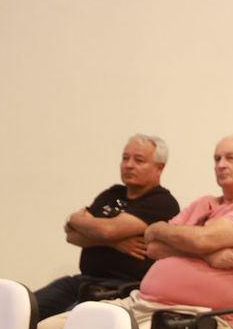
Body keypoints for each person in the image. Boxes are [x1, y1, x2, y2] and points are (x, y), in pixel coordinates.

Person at [34, 135, 233, 329]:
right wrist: (205, 254)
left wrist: (191, 241)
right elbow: (152, 241)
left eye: (230, 158)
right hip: (140, 302)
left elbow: (201, 237)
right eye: (217, 158)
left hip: (192, 316)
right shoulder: (204, 203)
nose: (220, 164)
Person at [34, 134, 181, 319]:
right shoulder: (112, 194)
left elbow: (107, 230)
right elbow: (71, 235)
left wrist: (81, 221)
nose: (129, 165)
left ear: (159, 168)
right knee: (25, 309)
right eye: (125, 158)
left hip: (121, 288)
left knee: (60, 326)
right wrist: (113, 243)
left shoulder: (161, 202)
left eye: (139, 160)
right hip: (84, 280)